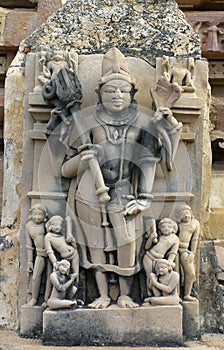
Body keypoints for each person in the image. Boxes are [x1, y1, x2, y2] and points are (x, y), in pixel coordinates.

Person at [61, 48, 182, 309]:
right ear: (99, 94)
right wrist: (84, 160)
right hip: (89, 191)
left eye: (123, 91)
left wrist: (145, 198)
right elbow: (65, 170)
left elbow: (150, 162)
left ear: (132, 94)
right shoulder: (87, 122)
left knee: (127, 244)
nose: (117, 95)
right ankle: (102, 295)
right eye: (110, 91)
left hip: (125, 192)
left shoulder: (142, 123)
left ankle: (126, 295)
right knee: (95, 244)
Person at [143, 218, 179, 295]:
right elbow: (146, 247)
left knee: (159, 277)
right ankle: (149, 295)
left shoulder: (175, 239)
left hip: (160, 260)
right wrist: (151, 238)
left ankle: (158, 295)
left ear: (173, 228)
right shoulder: (158, 236)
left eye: (169, 227)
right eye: (163, 227)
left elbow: (173, 252)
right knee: (149, 276)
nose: (166, 229)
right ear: (159, 228)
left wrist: (170, 261)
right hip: (149, 256)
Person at [25, 203, 50, 306]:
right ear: (31, 214)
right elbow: (29, 246)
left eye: (40, 214)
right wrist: (30, 261)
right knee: (35, 277)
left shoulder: (45, 225)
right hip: (40, 254)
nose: (37, 217)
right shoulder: (28, 226)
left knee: (50, 277)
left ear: (44, 216)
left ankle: (47, 299)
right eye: (35, 214)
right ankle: (34, 298)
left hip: (50, 253)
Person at [45, 215, 79, 285]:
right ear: (50, 225)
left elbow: (69, 218)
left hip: (74, 254)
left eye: (60, 225)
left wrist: (72, 241)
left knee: (76, 274)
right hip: (64, 258)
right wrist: (54, 262)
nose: (58, 227)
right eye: (55, 225)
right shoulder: (48, 237)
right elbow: (50, 252)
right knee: (65, 275)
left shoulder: (62, 234)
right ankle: (66, 291)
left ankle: (76, 288)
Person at [176, 204, 200, 301]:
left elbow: (195, 239)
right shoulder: (177, 225)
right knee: (186, 272)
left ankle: (187, 294)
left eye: (187, 213)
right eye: (183, 214)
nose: (186, 216)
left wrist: (193, 252)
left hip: (186, 250)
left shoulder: (195, 223)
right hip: (178, 249)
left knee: (191, 274)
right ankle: (178, 294)